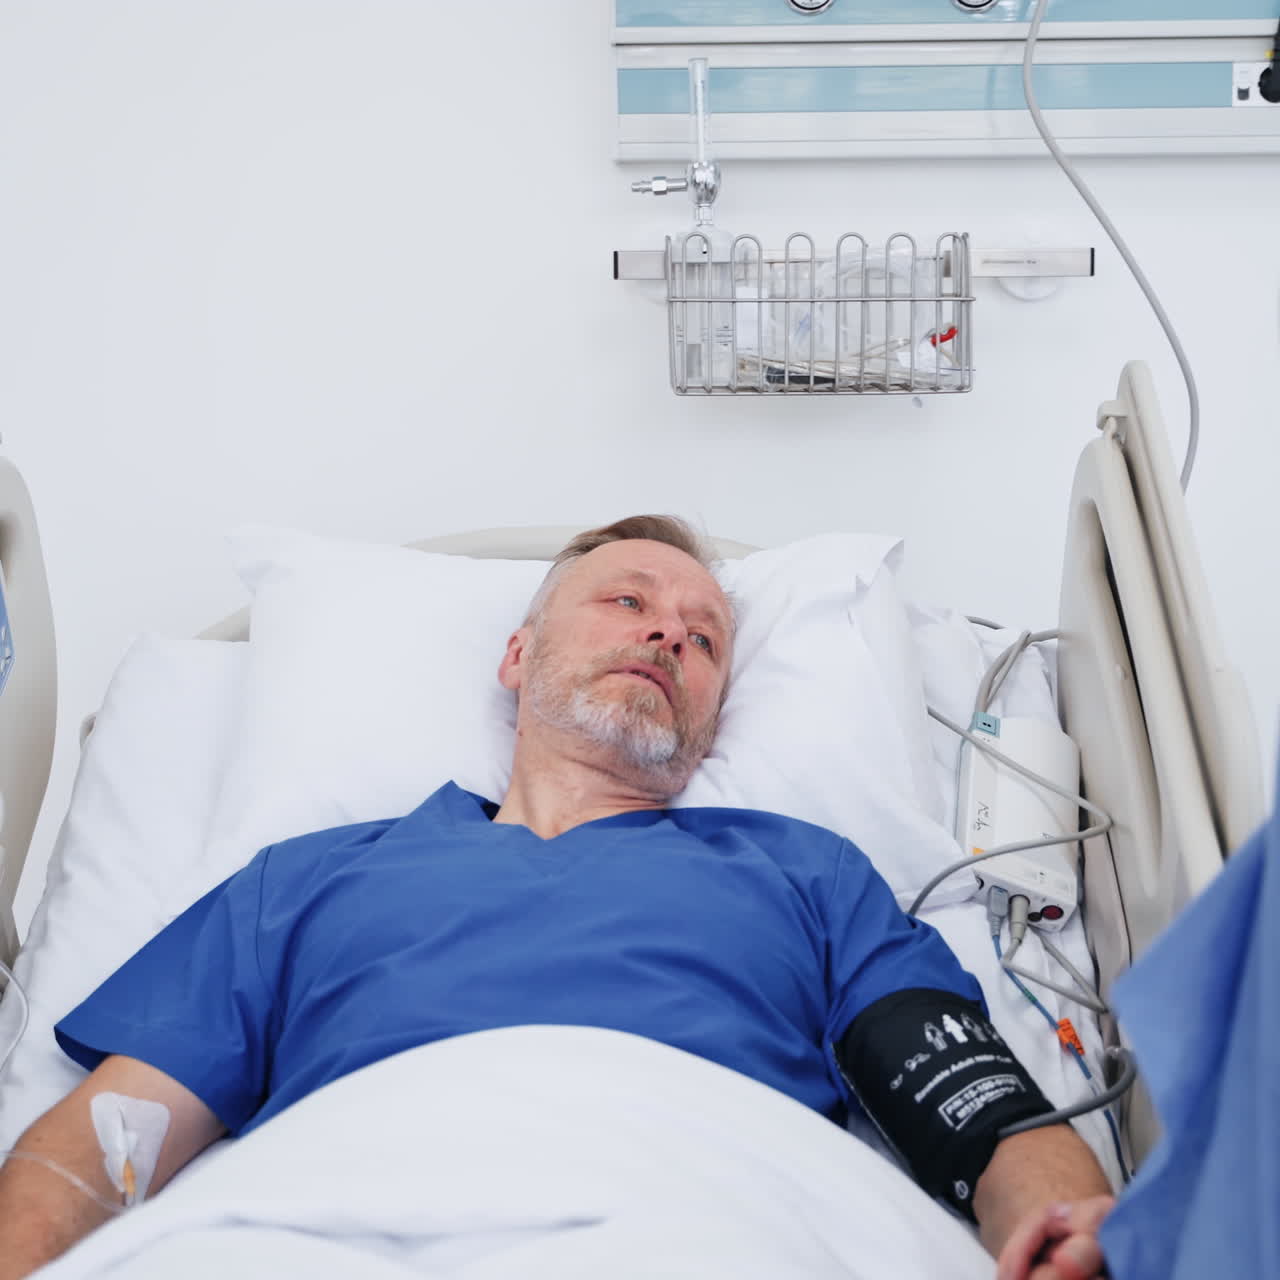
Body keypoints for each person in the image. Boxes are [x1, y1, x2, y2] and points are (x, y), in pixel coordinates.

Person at [0, 516, 1112, 1279]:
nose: (669, 631)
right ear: (517, 655)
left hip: (701, 1205)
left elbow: (976, 1105)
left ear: (715, 713)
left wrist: (1062, 1228)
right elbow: (100, 1142)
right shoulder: (307, 878)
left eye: (706, 637)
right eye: (627, 600)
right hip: (332, 1204)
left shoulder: (804, 872)